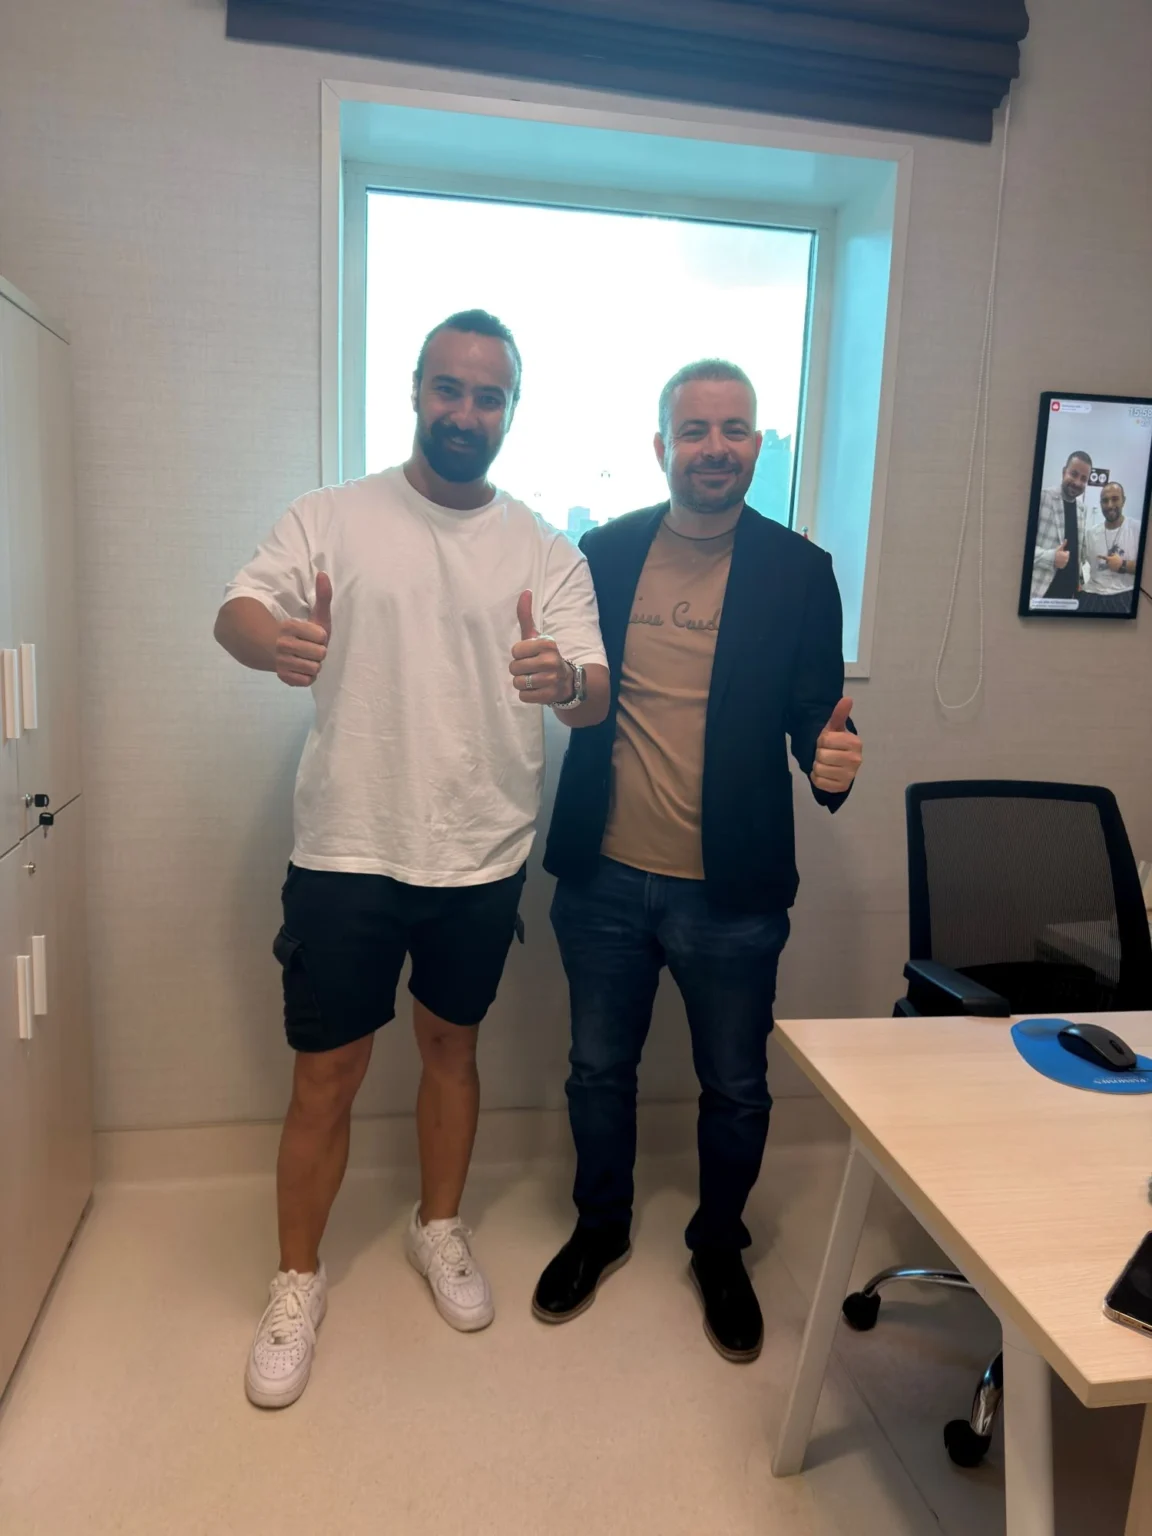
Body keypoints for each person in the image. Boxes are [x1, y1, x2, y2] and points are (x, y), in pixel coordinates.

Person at [215, 309, 609, 1409]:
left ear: (510, 411)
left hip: (480, 851)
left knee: (451, 1049)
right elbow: (236, 611)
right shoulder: (332, 515)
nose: (465, 412)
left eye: (488, 396)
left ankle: (438, 1227)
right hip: (349, 846)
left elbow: (594, 692)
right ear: (417, 392)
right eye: (449, 389)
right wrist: (277, 644)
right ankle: (297, 1282)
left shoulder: (545, 548)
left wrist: (562, 684)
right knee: (326, 1074)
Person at [534, 359, 862, 1362]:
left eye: (734, 429)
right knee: (598, 1071)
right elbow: (576, 685)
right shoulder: (603, 553)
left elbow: (817, 714)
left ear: (756, 443)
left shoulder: (800, 571)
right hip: (603, 877)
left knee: (738, 1087)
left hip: (732, 891)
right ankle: (600, 1226)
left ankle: (719, 1245)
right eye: (695, 430)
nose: (715, 448)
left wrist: (833, 762)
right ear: (662, 446)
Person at [1029, 449, 1093, 606]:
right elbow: (1021, 550)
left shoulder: (1082, 509)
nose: (1077, 482)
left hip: (1069, 598)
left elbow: (1078, 551)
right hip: (1040, 594)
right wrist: (1051, 557)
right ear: (1064, 472)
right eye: (1074, 474)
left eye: (1083, 479)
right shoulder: (1042, 498)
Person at [1080, 481, 1142, 615]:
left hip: (1124, 592)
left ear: (1123, 501)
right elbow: (1078, 562)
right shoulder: (1091, 534)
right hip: (1092, 592)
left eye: (1115, 499)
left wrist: (1123, 565)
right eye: (1105, 501)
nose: (1109, 505)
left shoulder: (1138, 529)